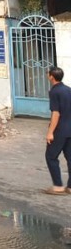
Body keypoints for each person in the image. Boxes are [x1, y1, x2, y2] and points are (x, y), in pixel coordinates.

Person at [44, 66, 71, 195]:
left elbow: (56, 113)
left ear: (51, 77)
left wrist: (50, 132)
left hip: (60, 130)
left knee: (51, 156)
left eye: (47, 74)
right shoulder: (68, 90)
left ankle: (58, 186)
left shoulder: (54, 92)